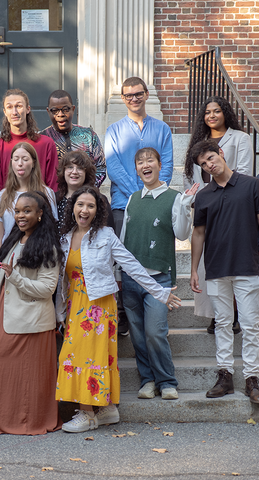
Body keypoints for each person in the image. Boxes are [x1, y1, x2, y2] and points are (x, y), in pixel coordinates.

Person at [56, 186, 181, 433]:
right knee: (79, 356)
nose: (85, 210)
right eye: (80, 204)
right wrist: (60, 313)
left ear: (97, 210)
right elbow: (62, 281)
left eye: (90, 206)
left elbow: (132, 266)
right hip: (75, 305)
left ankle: (87, 413)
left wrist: (160, 292)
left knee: (88, 357)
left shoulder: (105, 236)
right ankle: (108, 410)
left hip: (98, 306)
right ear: (73, 208)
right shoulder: (65, 238)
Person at [121, 148, 199, 400]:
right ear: (136, 169)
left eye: (149, 160)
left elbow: (182, 234)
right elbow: (122, 240)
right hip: (131, 280)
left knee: (155, 332)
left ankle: (166, 381)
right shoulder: (132, 198)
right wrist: (117, 274)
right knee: (138, 335)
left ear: (159, 164)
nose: (145, 165)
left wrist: (186, 207)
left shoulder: (174, 197)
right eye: (140, 162)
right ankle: (147, 380)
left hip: (159, 280)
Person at [0, 191, 63, 435]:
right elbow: (3, 280)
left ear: (40, 214)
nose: (20, 215)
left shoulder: (48, 246)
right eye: (17, 211)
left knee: (29, 374)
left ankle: (28, 420)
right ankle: (9, 417)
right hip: (6, 314)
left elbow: (47, 288)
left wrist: (15, 276)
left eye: (27, 210)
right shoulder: (14, 239)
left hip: (32, 319)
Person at [189, 140, 259, 404]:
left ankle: (252, 378)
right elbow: (198, 233)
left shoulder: (251, 185)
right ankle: (225, 375)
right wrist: (194, 269)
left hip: (247, 266)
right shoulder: (204, 195)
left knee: (251, 325)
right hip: (217, 267)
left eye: (210, 158)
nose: (209, 165)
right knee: (222, 324)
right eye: (203, 164)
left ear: (220, 153)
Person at [105, 76, 174, 336]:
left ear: (146, 95)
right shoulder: (114, 130)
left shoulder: (162, 129)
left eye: (138, 94)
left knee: (151, 256)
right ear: (123, 99)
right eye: (128, 95)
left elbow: (165, 164)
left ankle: (154, 303)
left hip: (157, 203)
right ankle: (124, 310)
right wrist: (138, 196)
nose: (133, 98)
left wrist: (153, 194)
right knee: (124, 259)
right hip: (124, 204)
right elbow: (113, 167)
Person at [184, 96, 254, 335]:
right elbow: (192, 177)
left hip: (234, 204)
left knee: (235, 263)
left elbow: (244, 171)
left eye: (216, 111)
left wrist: (224, 193)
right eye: (207, 112)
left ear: (225, 112)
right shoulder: (199, 143)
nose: (211, 116)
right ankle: (216, 314)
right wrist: (202, 197)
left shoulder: (241, 138)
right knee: (209, 266)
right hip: (207, 204)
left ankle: (235, 313)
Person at [0, 89, 58, 207]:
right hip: (8, 213)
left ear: (27, 109)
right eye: (9, 107)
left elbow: (53, 187)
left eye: (19, 106)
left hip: (41, 214)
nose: (14, 112)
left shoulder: (47, 144)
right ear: (5, 112)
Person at [0, 142, 58, 256]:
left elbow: (52, 230)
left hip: (37, 255)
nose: (20, 164)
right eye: (16, 159)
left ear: (33, 163)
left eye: (25, 159)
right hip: (8, 255)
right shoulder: (3, 195)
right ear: (11, 163)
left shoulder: (46, 193)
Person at [41, 89, 106, 187]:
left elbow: (101, 167)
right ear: (48, 111)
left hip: (86, 196)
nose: (60, 114)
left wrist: (86, 190)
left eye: (65, 109)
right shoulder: (42, 139)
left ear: (73, 109)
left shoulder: (88, 135)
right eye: (54, 110)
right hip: (54, 198)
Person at [55, 150, 113, 232]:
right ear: (63, 171)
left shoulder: (99, 199)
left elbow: (108, 232)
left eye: (80, 168)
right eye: (70, 167)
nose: (74, 172)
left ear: (87, 173)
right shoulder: (54, 200)